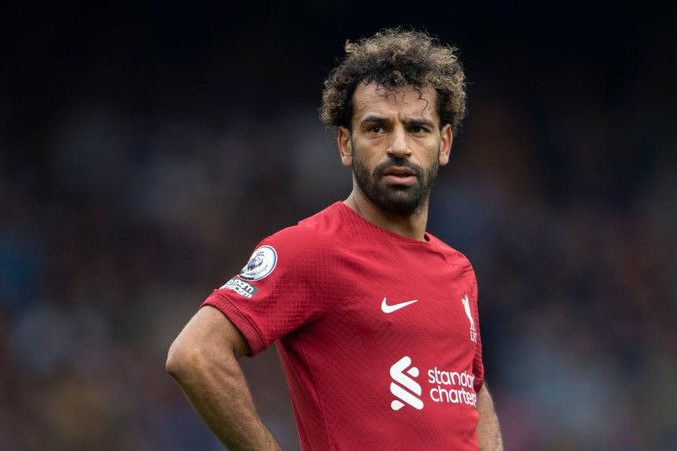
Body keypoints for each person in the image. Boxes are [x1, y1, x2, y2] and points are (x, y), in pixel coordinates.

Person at [166, 28, 504, 451]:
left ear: (444, 143)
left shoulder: (458, 270)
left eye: (418, 129)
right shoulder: (311, 249)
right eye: (378, 128)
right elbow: (195, 355)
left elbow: (471, 390)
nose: (399, 146)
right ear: (346, 143)